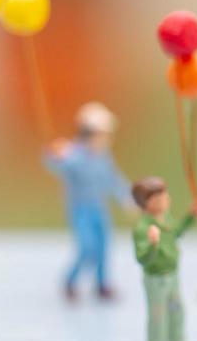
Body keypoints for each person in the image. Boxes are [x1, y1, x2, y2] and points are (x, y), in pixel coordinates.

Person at [44, 102, 132, 300]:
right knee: (87, 247)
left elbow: (113, 178)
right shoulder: (73, 154)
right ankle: (70, 281)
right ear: (88, 133)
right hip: (80, 209)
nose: (106, 139)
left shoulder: (103, 156)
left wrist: (127, 197)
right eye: (103, 134)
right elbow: (55, 162)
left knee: (103, 246)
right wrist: (54, 153)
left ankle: (102, 284)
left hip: (99, 208)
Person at [131, 176, 197, 341]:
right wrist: (152, 244)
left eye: (165, 196)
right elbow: (142, 258)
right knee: (158, 314)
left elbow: (177, 231)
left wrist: (192, 216)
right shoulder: (142, 228)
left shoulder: (165, 219)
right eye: (159, 198)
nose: (166, 200)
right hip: (156, 279)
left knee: (177, 310)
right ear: (147, 203)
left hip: (172, 275)